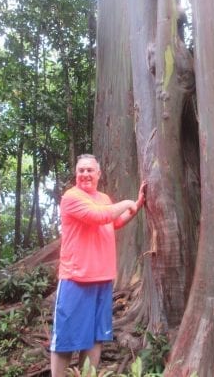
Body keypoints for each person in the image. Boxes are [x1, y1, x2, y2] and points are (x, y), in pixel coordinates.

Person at [50, 154, 146, 376]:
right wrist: (126, 203)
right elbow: (98, 216)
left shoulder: (103, 197)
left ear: (98, 174)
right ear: (76, 174)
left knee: (96, 336)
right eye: (81, 170)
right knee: (65, 338)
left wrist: (137, 205)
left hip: (103, 278)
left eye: (89, 170)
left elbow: (114, 222)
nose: (85, 174)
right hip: (76, 279)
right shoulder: (71, 197)